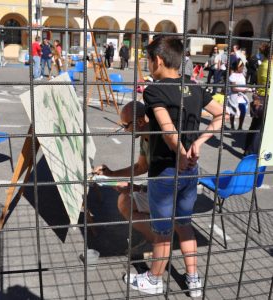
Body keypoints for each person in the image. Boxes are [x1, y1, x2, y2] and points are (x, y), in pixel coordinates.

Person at [123, 36, 225, 297]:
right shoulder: (194, 86)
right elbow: (221, 115)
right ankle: (193, 281)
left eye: (148, 60)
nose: (148, 65)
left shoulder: (154, 90)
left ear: (158, 60)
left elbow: (168, 129)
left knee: (162, 231)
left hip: (166, 171)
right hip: (191, 170)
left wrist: (179, 152)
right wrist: (199, 142)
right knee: (185, 223)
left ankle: (154, 279)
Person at [93, 101, 153, 245]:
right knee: (126, 197)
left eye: (126, 125)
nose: (125, 130)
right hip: (161, 190)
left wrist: (138, 188)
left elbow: (167, 184)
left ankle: (158, 241)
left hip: (170, 196)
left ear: (139, 121)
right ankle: (157, 231)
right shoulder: (145, 137)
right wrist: (111, 174)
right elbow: (141, 167)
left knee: (125, 202)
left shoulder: (159, 140)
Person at [244, 43, 272, 155]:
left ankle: (247, 149)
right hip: (267, 97)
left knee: (255, 124)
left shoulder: (264, 63)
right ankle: (252, 153)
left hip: (261, 97)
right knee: (261, 127)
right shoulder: (269, 65)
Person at [227, 59, 252, 130]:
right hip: (234, 96)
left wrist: (247, 89)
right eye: (241, 67)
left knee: (243, 110)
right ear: (237, 67)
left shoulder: (242, 75)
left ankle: (240, 127)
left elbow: (243, 85)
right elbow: (233, 89)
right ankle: (232, 125)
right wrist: (244, 90)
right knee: (233, 111)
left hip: (241, 96)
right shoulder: (232, 76)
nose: (243, 68)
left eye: (243, 67)